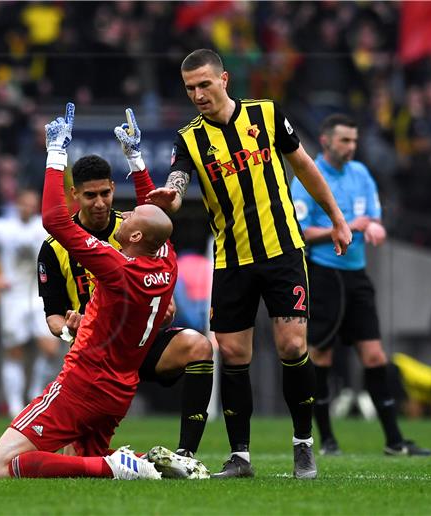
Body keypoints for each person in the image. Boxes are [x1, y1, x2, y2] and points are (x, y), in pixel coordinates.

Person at [147, 49, 352, 479]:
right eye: (190, 89)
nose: (198, 94)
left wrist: (336, 218)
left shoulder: (267, 115)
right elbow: (179, 180)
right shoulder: (188, 139)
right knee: (235, 354)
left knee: (293, 346)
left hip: (282, 250)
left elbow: (305, 166)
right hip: (232, 259)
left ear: (224, 79)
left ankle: (303, 445)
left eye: (205, 84)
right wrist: (171, 195)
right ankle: (240, 456)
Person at [0, 103, 208, 480]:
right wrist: (136, 160)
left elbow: (55, 219)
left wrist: (55, 152)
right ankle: (150, 462)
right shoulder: (166, 260)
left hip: (85, 379)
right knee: (75, 459)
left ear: (135, 235)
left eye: (130, 214)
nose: (120, 208)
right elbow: (155, 217)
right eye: (97, 196)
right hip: (121, 384)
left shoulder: (117, 266)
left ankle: (114, 466)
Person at [36, 111, 215, 460]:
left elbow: (156, 219)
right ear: (76, 195)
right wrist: (68, 330)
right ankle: (122, 462)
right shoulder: (56, 247)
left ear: (113, 189)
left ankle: (186, 455)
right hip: (94, 350)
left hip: (138, 343)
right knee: (77, 455)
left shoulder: (133, 230)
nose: (101, 203)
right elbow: (53, 316)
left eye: (105, 193)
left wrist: (163, 305)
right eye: (90, 196)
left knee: (200, 347)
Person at [290, 113, 431, 456]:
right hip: (324, 275)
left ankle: (395, 442)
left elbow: (373, 217)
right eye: (345, 141)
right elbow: (301, 232)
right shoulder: (308, 177)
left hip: (357, 276)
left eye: (354, 140)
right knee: (320, 355)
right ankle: (325, 440)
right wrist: (349, 227)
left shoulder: (361, 174)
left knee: (374, 355)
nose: (351, 147)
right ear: (326, 141)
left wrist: (373, 227)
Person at [0, 189, 60, 416]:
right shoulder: (1, 227)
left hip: (39, 295)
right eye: (24, 203)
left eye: (32, 204)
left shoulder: (43, 226)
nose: (28, 208)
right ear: (17, 204)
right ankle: (15, 405)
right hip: (13, 296)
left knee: (50, 347)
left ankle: (35, 393)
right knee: (14, 350)